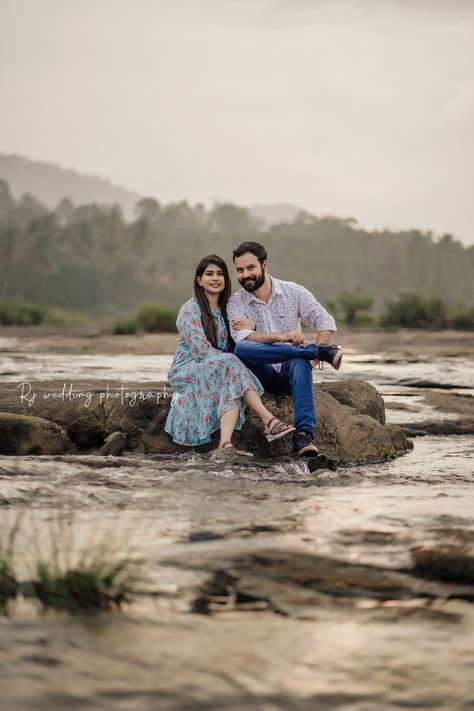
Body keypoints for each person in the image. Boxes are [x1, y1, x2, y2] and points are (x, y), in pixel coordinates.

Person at [165, 254, 295, 453]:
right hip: (189, 367)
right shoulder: (189, 310)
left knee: (231, 380)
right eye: (209, 274)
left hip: (223, 367)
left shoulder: (230, 309)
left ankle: (225, 444)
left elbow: (243, 341)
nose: (215, 278)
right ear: (199, 280)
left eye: (220, 274)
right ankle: (268, 419)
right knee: (230, 362)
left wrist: (253, 325)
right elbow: (200, 351)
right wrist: (230, 360)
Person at [227, 242, 343, 458]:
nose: (245, 275)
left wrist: (310, 360)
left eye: (250, 268)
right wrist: (285, 337)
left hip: (290, 374)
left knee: (298, 362)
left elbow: (326, 322)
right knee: (242, 349)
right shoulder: (236, 304)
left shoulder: (294, 292)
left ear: (264, 265)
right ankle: (317, 352)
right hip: (259, 374)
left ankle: (303, 436)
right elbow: (244, 340)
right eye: (240, 270)